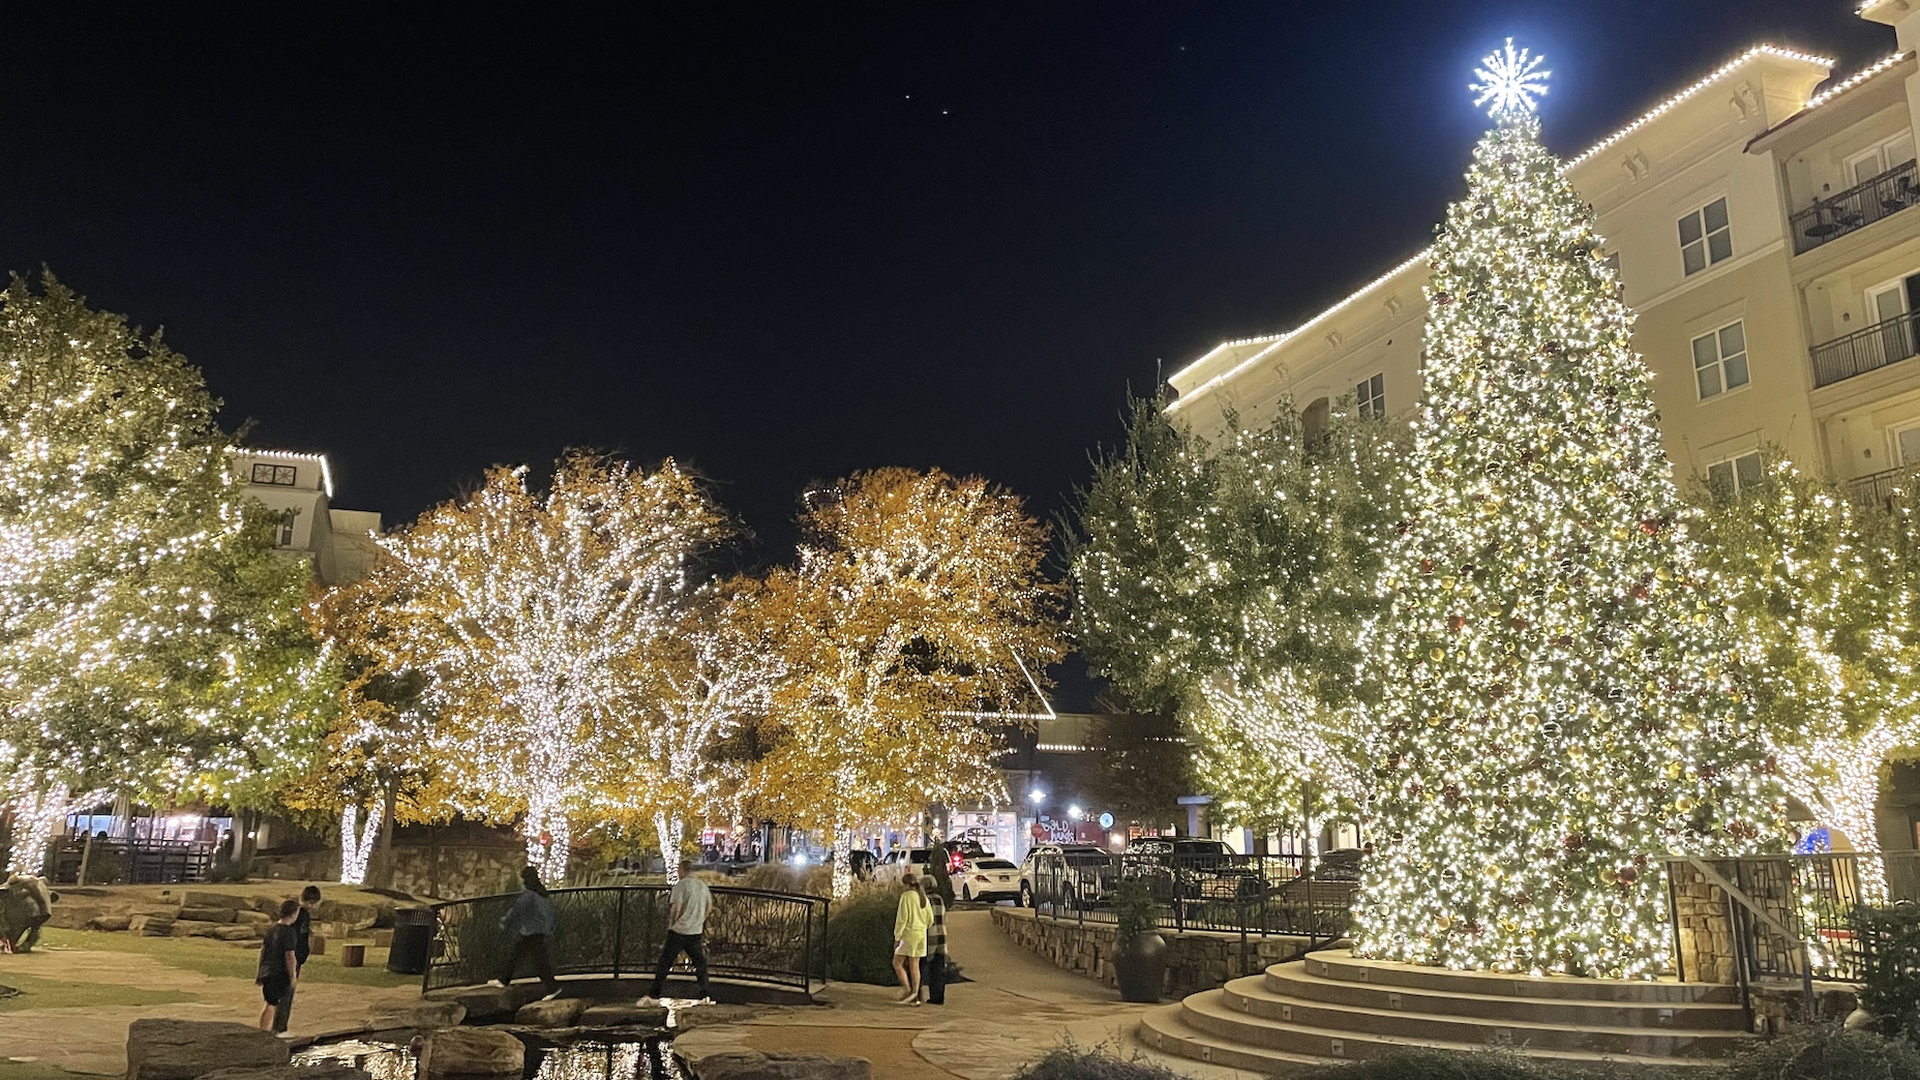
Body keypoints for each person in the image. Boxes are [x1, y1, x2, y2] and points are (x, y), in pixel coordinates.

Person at [643, 858, 712, 1004]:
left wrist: (672, 923)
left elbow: (676, 908)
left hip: (679, 930)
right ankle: (705, 992)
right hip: (695, 930)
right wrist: (700, 920)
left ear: (682, 870)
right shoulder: (702, 886)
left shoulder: (680, 886)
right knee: (699, 962)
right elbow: (708, 907)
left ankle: (654, 993)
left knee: (666, 961)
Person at [487, 867, 562, 1000]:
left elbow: (517, 909)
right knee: (524, 956)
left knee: (536, 961)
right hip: (538, 931)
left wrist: (505, 921)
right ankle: (504, 979)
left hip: (531, 932)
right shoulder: (541, 893)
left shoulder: (529, 894)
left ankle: (553, 988)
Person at [271, 885, 320, 1033]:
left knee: (282, 991)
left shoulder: (300, 914)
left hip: (295, 955)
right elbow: (296, 937)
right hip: (293, 956)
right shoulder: (301, 915)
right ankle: (280, 1027)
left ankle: (278, 1025)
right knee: (287, 991)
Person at [257, 899, 301, 1033]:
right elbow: (290, 955)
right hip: (278, 972)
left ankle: (265, 1029)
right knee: (272, 1003)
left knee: (269, 1002)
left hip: (267, 970)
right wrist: (293, 975)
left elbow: (263, 951)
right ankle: (265, 1031)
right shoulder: (288, 932)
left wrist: (260, 971)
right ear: (293, 914)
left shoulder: (272, 930)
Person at [891, 872, 932, 1006]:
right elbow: (930, 919)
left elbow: (902, 918)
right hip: (921, 934)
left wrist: (897, 936)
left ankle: (908, 990)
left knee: (897, 963)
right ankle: (915, 993)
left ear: (907, 884)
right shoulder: (923, 897)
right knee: (915, 965)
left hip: (909, 934)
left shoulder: (906, 897)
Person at [3, 876, 53, 953]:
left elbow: (39, 898)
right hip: (42, 913)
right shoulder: (34, 885)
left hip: (35, 913)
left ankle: (21, 945)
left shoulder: (31, 886)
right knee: (34, 928)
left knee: (28, 927)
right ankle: (23, 945)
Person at [925, 885, 949, 1006]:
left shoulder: (925, 900)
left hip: (930, 936)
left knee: (930, 969)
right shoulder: (939, 899)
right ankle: (939, 996)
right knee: (939, 969)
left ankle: (931, 996)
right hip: (941, 934)